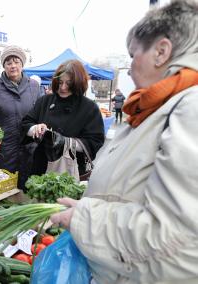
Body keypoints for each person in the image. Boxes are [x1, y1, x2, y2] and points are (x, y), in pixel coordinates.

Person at [50, 1, 198, 283]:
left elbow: (178, 240)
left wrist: (85, 220)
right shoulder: (156, 107)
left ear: (161, 51)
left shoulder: (190, 108)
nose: (129, 69)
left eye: (133, 55)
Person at [21, 59, 105, 177]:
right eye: (60, 82)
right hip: (41, 167)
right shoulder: (45, 101)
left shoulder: (89, 108)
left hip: (71, 171)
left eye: (69, 83)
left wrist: (65, 142)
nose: (63, 88)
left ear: (78, 83)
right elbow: (25, 123)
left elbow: (95, 141)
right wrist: (35, 129)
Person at [0, 45, 40, 175]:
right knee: (5, 184)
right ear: (4, 66)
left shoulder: (34, 86)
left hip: (29, 146)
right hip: (5, 148)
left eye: (16, 62)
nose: (13, 66)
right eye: (8, 63)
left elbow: (40, 113)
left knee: (28, 185)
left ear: (22, 64)